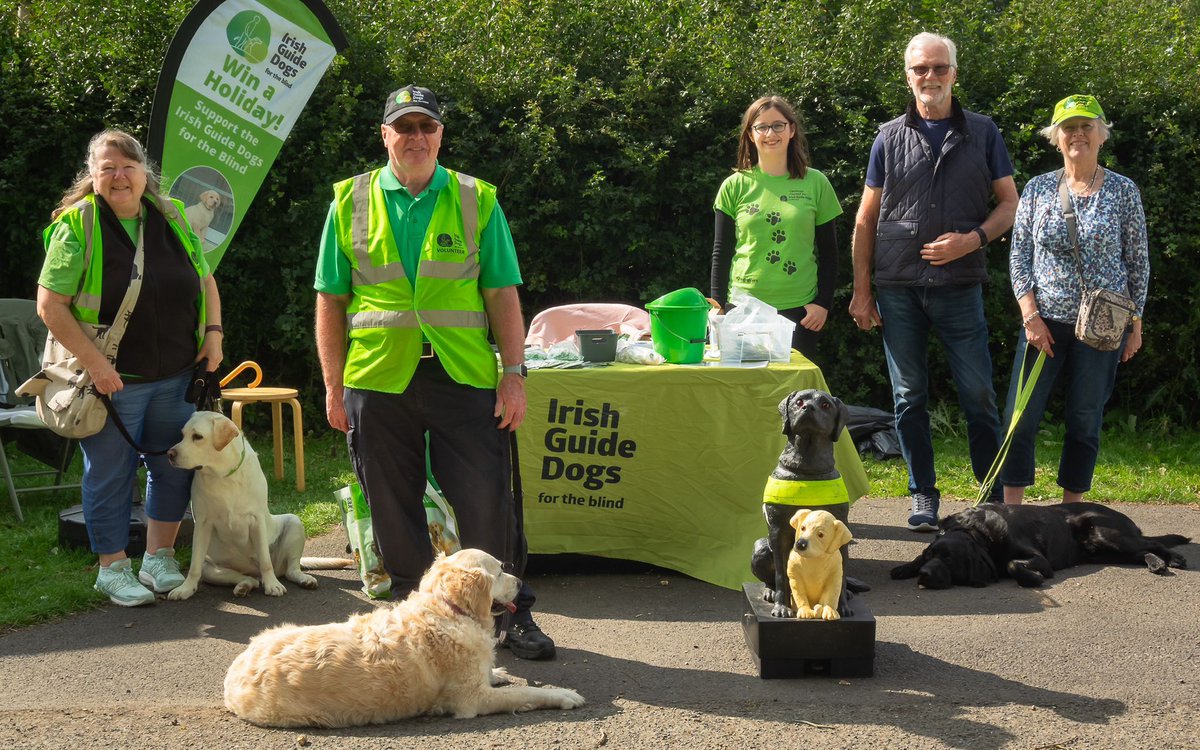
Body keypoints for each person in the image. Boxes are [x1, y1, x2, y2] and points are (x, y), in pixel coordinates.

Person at [314, 85, 555, 660]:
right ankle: (409, 615)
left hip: (464, 375)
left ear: (440, 135)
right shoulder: (348, 200)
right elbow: (331, 300)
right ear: (386, 135)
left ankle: (510, 614)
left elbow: (501, 293)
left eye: (427, 127)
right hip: (377, 377)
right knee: (391, 505)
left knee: (486, 502)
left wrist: (514, 372)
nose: (417, 137)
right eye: (406, 127)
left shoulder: (477, 199)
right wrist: (332, 384)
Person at [33, 129, 224, 605]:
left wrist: (214, 335)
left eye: (128, 166)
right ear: (93, 176)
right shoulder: (76, 226)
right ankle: (112, 567)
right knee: (110, 473)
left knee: (174, 465)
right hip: (114, 380)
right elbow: (50, 306)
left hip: (178, 374)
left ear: (144, 173)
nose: (119, 176)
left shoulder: (173, 214)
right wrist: (96, 365)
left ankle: (159, 558)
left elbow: (206, 280)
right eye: (107, 168)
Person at [848, 32, 1018, 531]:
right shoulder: (887, 136)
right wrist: (862, 291)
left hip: (961, 285)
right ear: (908, 76)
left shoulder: (984, 133)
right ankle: (923, 496)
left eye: (939, 68)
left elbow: (1010, 203)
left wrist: (974, 239)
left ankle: (989, 497)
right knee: (909, 397)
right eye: (920, 69)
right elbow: (865, 219)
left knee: (979, 395)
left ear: (954, 74)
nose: (930, 77)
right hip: (897, 288)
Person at [1000, 95, 1147, 504]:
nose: (1077, 133)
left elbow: (1138, 262)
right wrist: (1029, 315)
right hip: (1043, 323)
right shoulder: (1038, 189)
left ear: (1101, 134)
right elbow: (1020, 256)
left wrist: (1136, 326)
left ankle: (1072, 513)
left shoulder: (1123, 190)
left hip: (1103, 327)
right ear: (1056, 137)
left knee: (1084, 419)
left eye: (1086, 126)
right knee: (1021, 416)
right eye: (1068, 127)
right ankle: (1013, 513)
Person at [711, 95, 842, 363]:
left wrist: (822, 304)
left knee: (796, 395)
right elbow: (721, 251)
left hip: (800, 310)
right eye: (761, 127)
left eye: (778, 126)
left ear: (792, 130)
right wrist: (717, 306)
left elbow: (830, 253)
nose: (770, 133)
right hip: (744, 308)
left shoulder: (816, 183)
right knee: (745, 391)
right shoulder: (734, 186)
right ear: (750, 134)